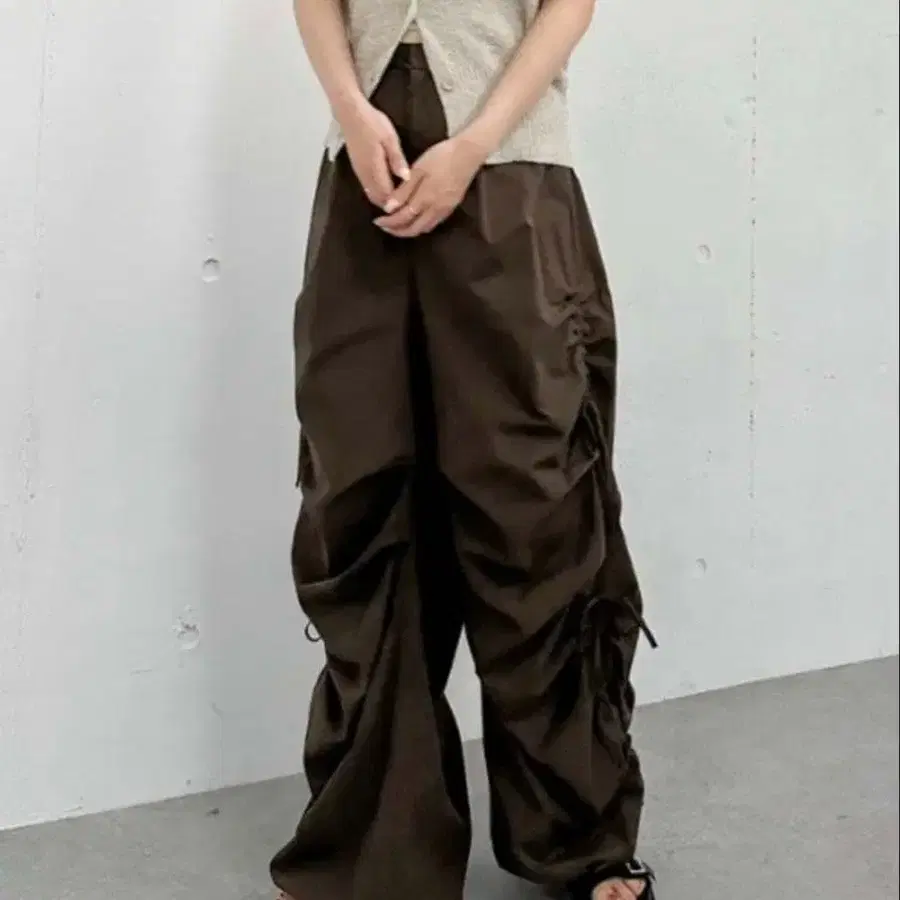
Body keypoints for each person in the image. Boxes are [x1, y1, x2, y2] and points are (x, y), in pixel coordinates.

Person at [271, 2, 658, 899]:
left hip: (510, 176)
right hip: (365, 178)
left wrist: (475, 143)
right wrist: (350, 109)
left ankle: (580, 836)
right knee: (364, 499)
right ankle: (376, 851)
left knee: (535, 505)